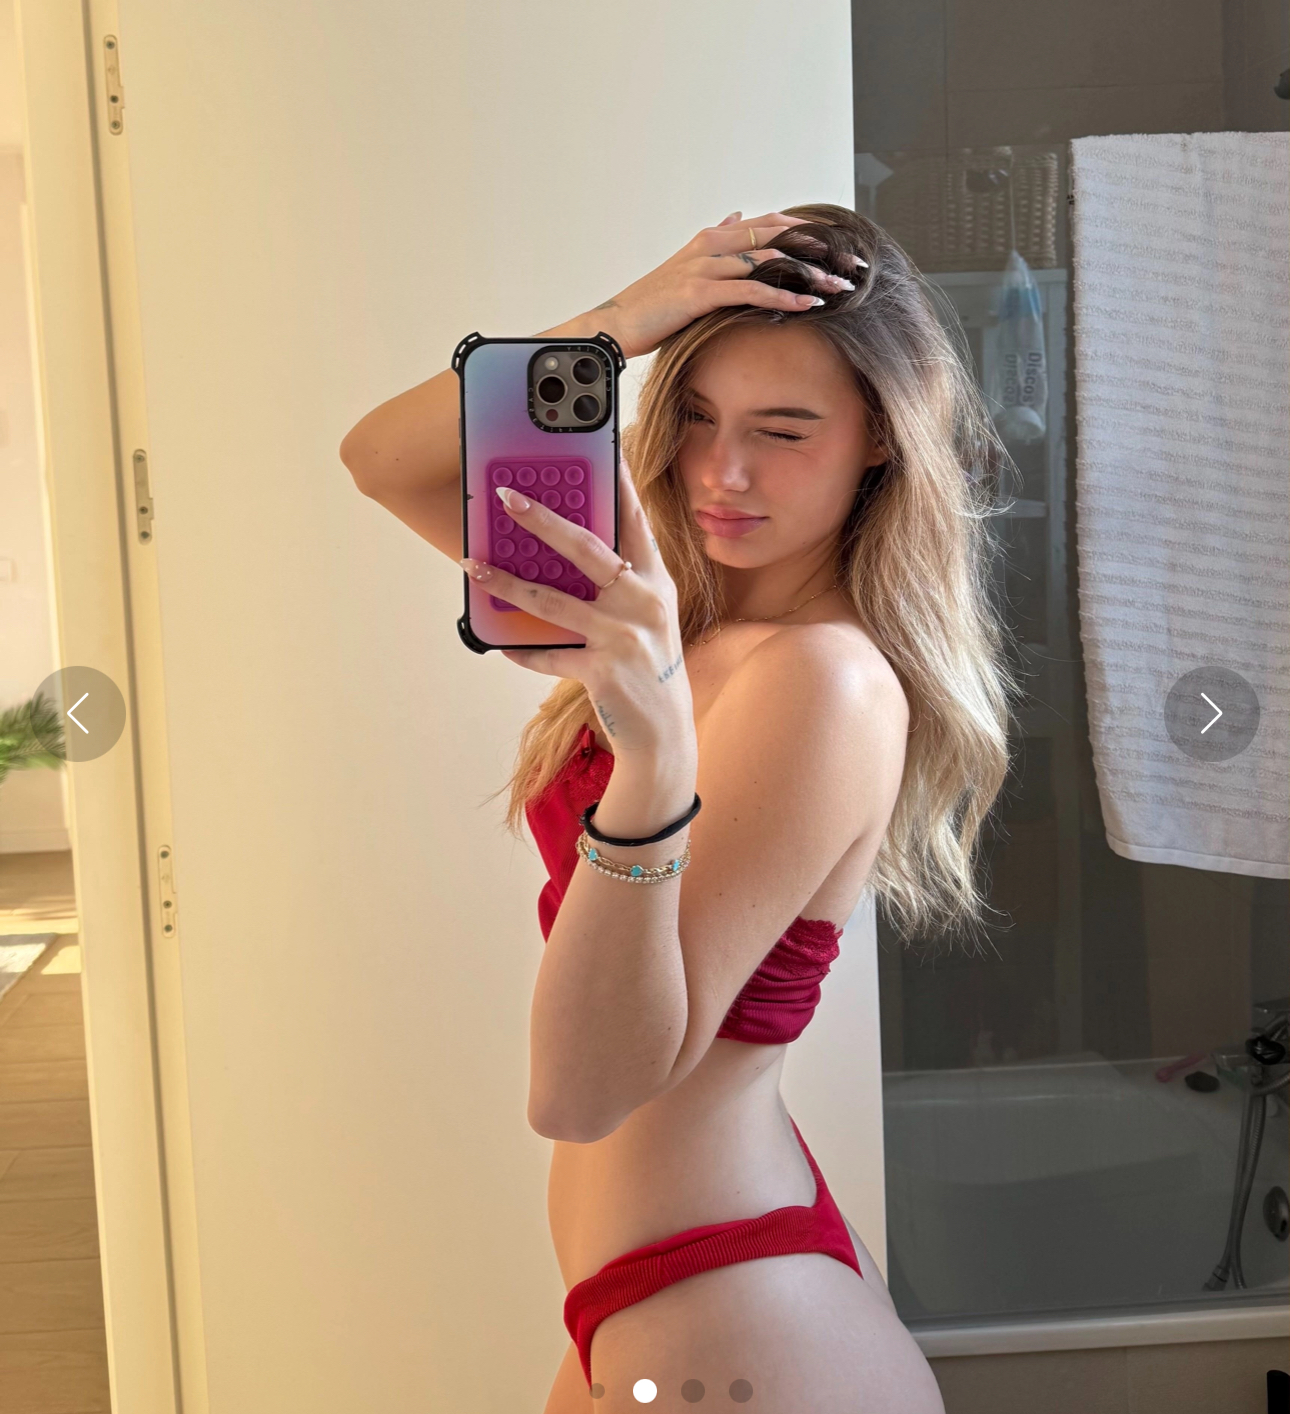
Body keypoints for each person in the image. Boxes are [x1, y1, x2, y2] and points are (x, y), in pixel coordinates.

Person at [340, 204, 1012, 1413]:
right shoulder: (665, 618)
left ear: (879, 440)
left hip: (731, 1305)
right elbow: (381, 456)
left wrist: (653, 762)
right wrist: (621, 323)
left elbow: (583, 1091)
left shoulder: (822, 679)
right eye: (696, 416)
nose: (720, 472)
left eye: (782, 431)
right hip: (662, 1297)